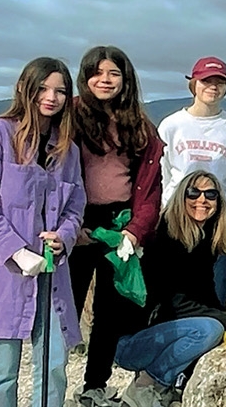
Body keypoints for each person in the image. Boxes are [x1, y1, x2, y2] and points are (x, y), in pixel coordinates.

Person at [0, 57, 85, 407]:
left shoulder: (66, 147)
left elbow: (75, 204)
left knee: (54, 364)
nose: (51, 97)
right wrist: (15, 250)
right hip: (2, 271)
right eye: (43, 88)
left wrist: (65, 237)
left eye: (60, 91)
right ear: (24, 88)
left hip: (50, 272)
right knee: (2, 372)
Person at [67, 45, 168, 406]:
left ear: (126, 80)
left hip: (120, 224)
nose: (105, 80)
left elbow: (150, 188)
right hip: (76, 222)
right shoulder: (70, 115)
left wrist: (136, 230)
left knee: (109, 313)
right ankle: (49, 381)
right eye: (98, 73)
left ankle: (95, 384)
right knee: (66, 308)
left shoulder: (138, 124)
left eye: (114, 73)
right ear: (85, 76)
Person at [114, 170, 226, 407]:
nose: (202, 199)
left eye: (211, 194)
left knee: (216, 329)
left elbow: (207, 298)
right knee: (208, 330)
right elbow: (178, 305)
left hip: (159, 336)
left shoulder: (204, 240)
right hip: (130, 343)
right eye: (194, 192)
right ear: (182, 196)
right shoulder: (166, 237)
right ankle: (146, 386)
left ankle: (165, 388)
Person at [157, 56, 226, 305]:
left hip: (221, 221)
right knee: (171, 293)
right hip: (178, 219)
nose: (213, 86)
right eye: (206, 81)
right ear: (193, 84)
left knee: (217, 295)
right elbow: (163, 173)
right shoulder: (172, 125)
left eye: (219, 81)